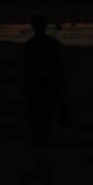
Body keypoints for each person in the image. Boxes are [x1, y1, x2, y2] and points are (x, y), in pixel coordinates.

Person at [22, 14, 66, 148]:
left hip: (36, 83)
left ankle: (36, 139)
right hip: (47, 82)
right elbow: (59, 66)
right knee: (46, 113)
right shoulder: (53, 44)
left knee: (35, 114)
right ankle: (45, 139)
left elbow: (25, 68)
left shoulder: (29, 46)